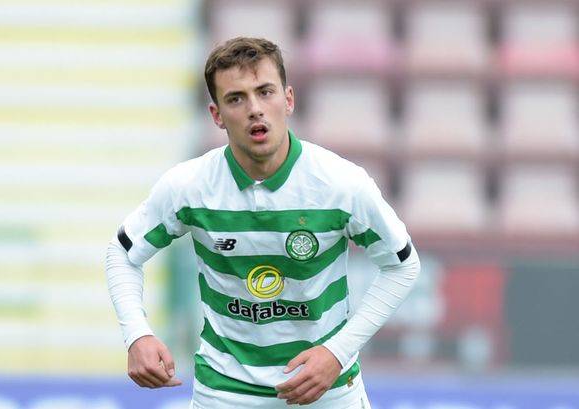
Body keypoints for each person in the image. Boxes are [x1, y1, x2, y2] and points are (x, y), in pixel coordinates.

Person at [105, 37, 420, 409]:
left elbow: (402, 265)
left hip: (327, 391)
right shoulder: (189, 186)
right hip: (225, 392)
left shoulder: (340, 184)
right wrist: (137, 334)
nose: (255, 109)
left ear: (288, 100)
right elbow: (122, 253)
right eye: (236, 98)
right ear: (217, 115)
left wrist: (337, 352)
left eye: (265, 92)